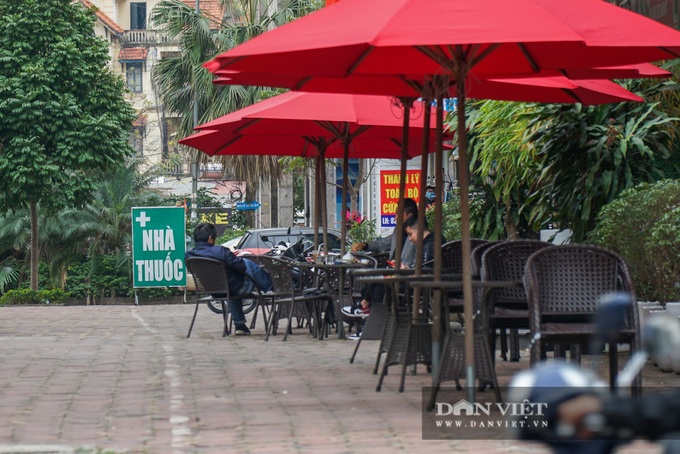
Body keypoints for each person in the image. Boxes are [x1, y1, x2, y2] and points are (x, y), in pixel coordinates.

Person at [185, 222, 272, 336]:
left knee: (230, 286)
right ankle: (271, 287)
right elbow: (240, 266)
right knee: (246, 263)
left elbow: (194, 271)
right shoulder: (220, 251)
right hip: (236, 288)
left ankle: (240, 326)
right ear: (210, 238)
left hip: (212, 291)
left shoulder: (189, 256)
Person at [350, 197, 419, 267]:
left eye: (398, 214)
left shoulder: (419, 235)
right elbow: (382, 244)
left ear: (410, 216)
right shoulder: (398, 231)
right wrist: (364, 245)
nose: (396, 218)